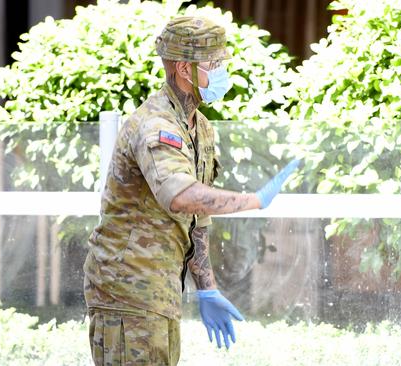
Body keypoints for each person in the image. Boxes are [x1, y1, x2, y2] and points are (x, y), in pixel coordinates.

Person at [83, 16, 300, 365]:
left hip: (160, 288)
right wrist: (254, 201)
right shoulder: (156, 125)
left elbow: (197, 218)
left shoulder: (200, 128)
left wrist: (207, 287)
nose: (221, 73)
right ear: (185, 69)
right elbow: (180, 195)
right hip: (127, 289)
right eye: (214, 64)